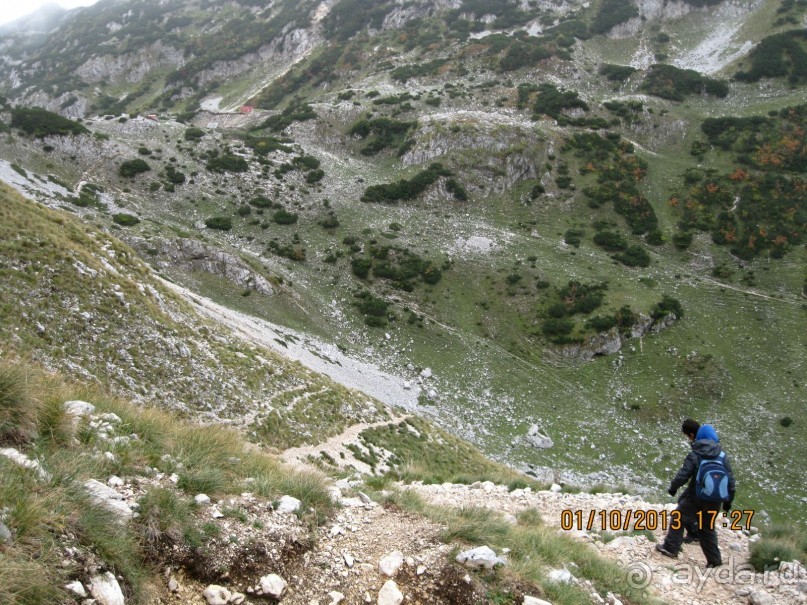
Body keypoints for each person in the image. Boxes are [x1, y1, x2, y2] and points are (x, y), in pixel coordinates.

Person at [655, 419, 736, 568]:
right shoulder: (722, 456)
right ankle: (714, 561)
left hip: (697, 497)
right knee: (707, 528)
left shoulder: (696, 453)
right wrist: (728, 501)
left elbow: (684, 474)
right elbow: (730, 480)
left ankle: (671, 547)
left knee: (678, 516)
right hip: (715, 500)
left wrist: (673, 487)